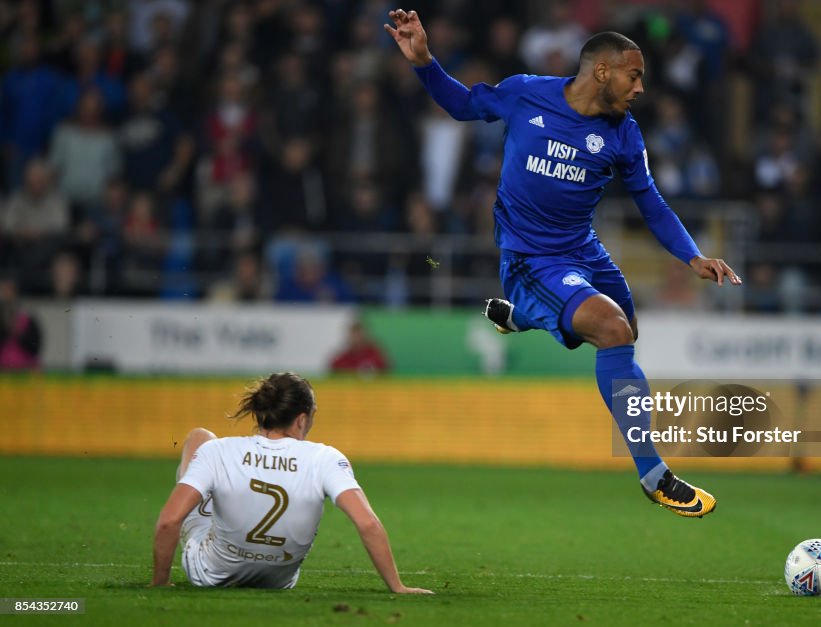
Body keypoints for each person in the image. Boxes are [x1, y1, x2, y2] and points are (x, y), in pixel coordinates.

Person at [386, 9, 742, 518]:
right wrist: (424, 62)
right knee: (613, 331)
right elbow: (463, 105)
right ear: (602, 72)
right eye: (634, 75)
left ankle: (523, 316)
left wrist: (693, 255)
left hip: (584, 251)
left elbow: (652, 204)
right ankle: (653, 474)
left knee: (627, 331)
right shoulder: (527, 92)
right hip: (532, 257)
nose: (640, 88)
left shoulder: (624, 134)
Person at [150, 372, 432, 593]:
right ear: (301, 420)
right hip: (278, 579)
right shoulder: (325, 458)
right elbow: (367, 523)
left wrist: (160, 583)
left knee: (199, 437)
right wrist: (398, 586)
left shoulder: (219, 451)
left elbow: (168, 522)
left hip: (209, 574)